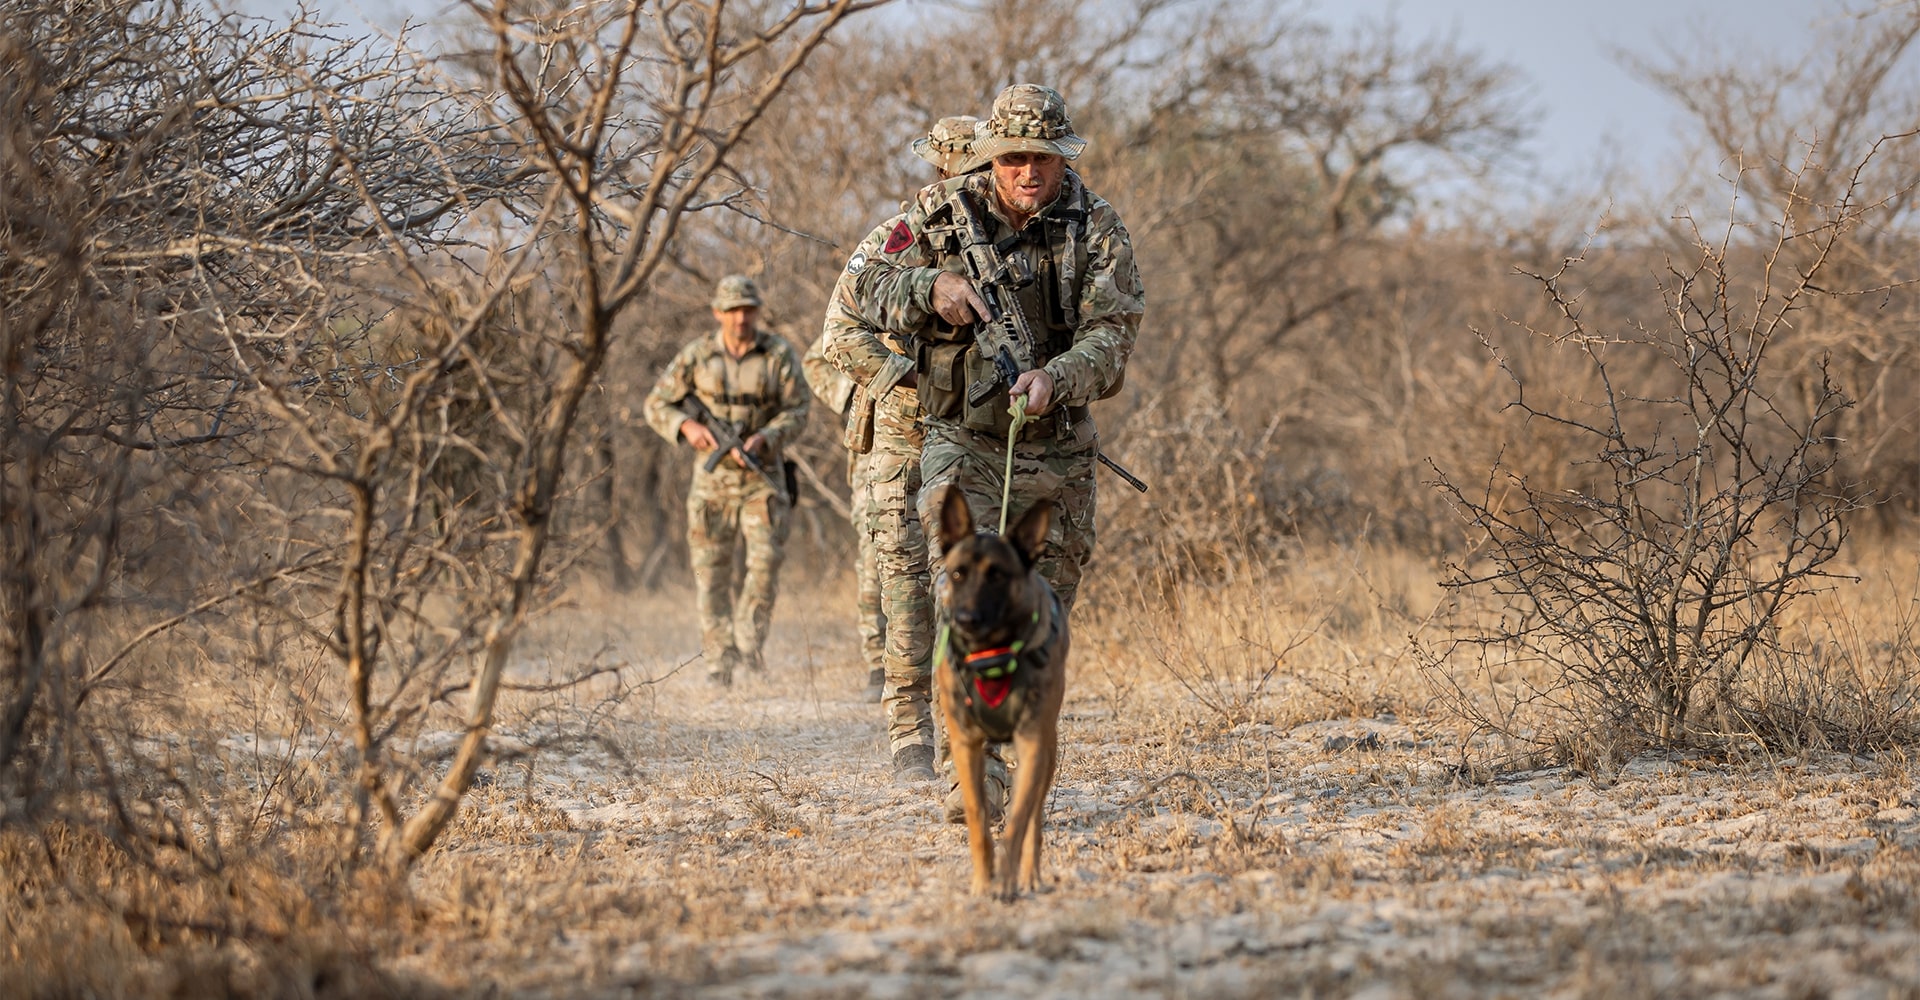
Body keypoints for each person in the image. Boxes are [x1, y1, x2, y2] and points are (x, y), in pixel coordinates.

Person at [830, 86, 1144, 814]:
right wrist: (927, 286)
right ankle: (966, 769)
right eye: (1012, 159)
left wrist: (1056, 378)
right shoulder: (938, 216)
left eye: (1041, 157)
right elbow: (857, 292)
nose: (1027, 172)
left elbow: (1114, 335)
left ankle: (1002, 759)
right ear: (991, 157)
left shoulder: (1097, 228)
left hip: (1056, 449)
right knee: (964, 594)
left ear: (1061, 157)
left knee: (1039, 619)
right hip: (958, 441)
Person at [820, 115, 983, 782]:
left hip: (974, 434)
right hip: (899, 431)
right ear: (941, 168)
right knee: (903, 577)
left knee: (970, 572)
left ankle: (967, 723)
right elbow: (839, 330)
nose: (970, 180)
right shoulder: (905, 234)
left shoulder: (1011, 242)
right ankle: (908, 732)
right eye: (961, 167)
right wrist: (905, 377)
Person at [644, 275, 811, 685]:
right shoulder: (698, 356)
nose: (741, 318)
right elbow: (656, 403)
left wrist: (767, 437)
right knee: (711, 572)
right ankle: (719, 663)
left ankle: (750, 647)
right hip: (713, 481)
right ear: (718, 313)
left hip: (762, 477)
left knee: (765, 566)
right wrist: (686, 427)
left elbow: (799, 409)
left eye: (748, 309)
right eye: (733, 310)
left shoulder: (778, 355)